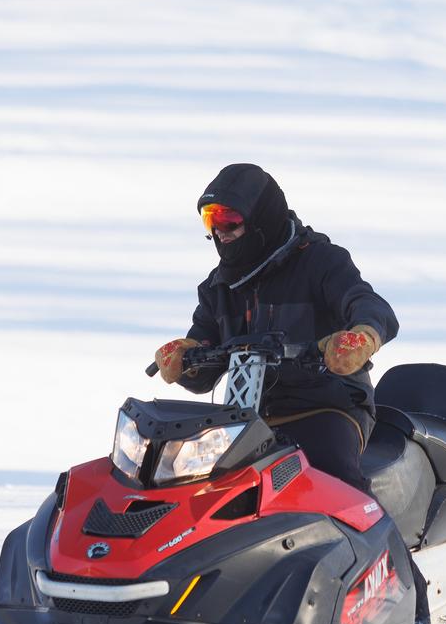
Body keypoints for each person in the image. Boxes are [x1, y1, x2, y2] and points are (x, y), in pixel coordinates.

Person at [153, 163, 397, 495]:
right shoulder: (219, 287)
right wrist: (185, 358)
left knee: (332, 480)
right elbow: (203, 354)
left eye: (229, 219)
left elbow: (369, 304)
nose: (219, 231)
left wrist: (362, 336)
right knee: (188, 484)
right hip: (245, 420)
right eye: (210, 219)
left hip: (326, 405)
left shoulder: (322, 262)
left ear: (261, 220)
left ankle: (381, 543)